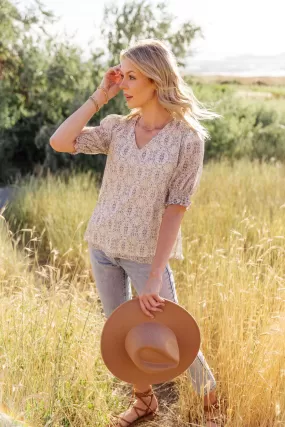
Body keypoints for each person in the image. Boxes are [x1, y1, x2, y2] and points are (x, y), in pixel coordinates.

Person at [50, 38, 223, 427]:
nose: (123, 84)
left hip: (147, 255)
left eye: (131, 77)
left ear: (155, 80)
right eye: (121, 76)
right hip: (103, 245)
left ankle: (212, 404)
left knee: (173, 331)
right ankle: (144, 402)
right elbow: (60, 141)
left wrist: (157, 274)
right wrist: (100, 94)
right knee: (122, 333)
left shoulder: (186, 140)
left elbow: (176, 209)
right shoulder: (117, 129)